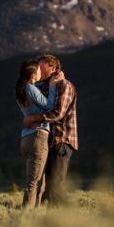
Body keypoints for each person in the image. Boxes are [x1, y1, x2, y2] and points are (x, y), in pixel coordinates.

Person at [23, 54, 77, 206]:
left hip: (61, 140)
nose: (38, 70)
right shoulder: (45, 87)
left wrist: (34, 118)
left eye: (41, 67)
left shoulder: (64, 85)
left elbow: (58, 113)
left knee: (55, 186)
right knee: (45, 187)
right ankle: (48, 217)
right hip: (48, 141)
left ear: (52, 68)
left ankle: (66, 216)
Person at [15, 59, 58, 209]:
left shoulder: (22, 89)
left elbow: (35, 90)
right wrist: (52, 87)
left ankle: (35, 213)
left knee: (39, 181)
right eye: (39, 70)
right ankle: (26, 215)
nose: (41, 71)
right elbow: (49, 106)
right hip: (38, 136)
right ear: (33, 74)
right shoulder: (30, 89)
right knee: (34, 182)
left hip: (26, 138)